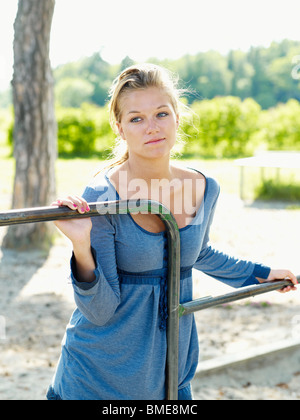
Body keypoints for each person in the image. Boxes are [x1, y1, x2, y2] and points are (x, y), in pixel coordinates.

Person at [46, 63, 298, 400]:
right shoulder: (102, 195)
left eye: (161, 114)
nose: (152, 127)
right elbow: (101, 310)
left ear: (177, 117)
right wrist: (81, 244)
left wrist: (260, 273)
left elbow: (197, 253)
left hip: (171, 368)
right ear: (120, 128)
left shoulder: (204, 187)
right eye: (136, 118)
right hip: (100, 373)